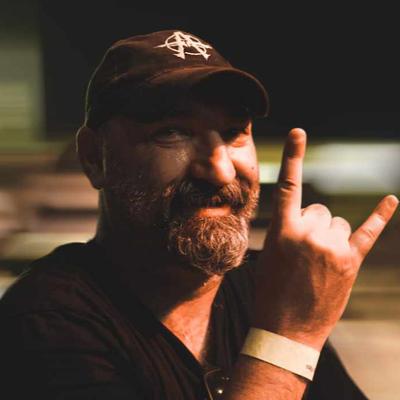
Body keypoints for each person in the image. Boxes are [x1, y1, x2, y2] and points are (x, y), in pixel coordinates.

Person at [0, 29, 398, 400]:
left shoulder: (266, 287)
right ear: (93, 157)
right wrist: (290, 338)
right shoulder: (45, 321)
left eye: (233, 132)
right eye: (172, 132)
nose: (220, 170)